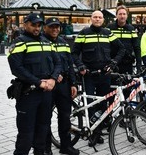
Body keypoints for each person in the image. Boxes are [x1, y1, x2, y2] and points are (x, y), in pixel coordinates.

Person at [7, 13, 62, 155]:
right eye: (33, 25)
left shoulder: (47, 42)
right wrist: (38, 83)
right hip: (28, 94)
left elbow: (58, 63)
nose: (37, 28)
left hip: (46, 94)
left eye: (39, 25)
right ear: (25, 24)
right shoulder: (19, 42)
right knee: (26, 135)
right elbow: (17, 69)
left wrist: (53, 79)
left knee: (43, 132)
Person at [72, 10, 125, 147]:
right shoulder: (83, 33)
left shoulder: (107, 33)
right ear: (91, 19)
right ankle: (93, 134)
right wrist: (80, 66)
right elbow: (74, 53)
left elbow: (121, 49)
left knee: (103, 104)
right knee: (91, 104)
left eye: (100, 17)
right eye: (95, 17)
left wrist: (114, 63)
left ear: (103, 20)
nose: (97, 19)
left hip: (104, 75)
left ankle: (99, 131)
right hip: (88, 75)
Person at [42, 17, 79, 155]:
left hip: (63, 85)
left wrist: (73, 83)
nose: (55, 29)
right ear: (45, 27)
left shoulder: (64, 42)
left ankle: (66, 146)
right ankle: (46, 148)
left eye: (57, 26)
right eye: (51, 26)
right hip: (48, 85)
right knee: (45, 118)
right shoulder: (41, 42)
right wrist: (52, 75)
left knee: (65, 117)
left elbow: (70, 64)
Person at [107, 5, 141, 75]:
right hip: (113, 64)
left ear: (127, 15)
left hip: (127, 63)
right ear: (116, 15)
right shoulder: (110, 28)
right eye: (120, 14)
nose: (122, 16)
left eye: (124, 14)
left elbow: (136, 47)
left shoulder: (131, 29)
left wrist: (138, 66)